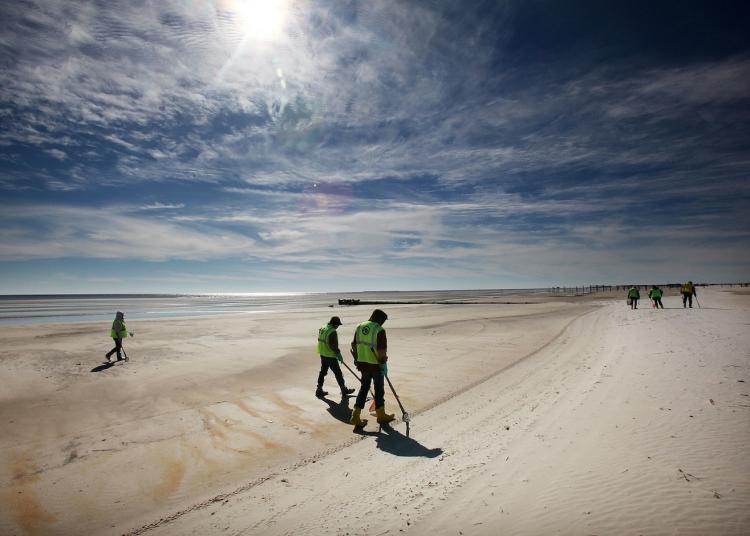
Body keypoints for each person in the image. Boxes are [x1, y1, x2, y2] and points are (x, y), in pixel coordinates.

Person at [350, 309, 394, 429]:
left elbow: (353, 345)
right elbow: (381, 350)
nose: (383, 323)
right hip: (375, 365)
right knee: (379, 389)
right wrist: (383, 362)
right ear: (379, 319)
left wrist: (356, 358)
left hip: (363, 364)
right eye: (383, 320)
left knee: (364, 388)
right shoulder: (379, 330)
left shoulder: (360, 326)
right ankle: (381, 415)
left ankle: (355, 415)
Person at [316, 316, 355, 398]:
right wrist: (338, 354)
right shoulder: (332, 331)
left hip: (323, 354)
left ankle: (319, 389)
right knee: (338, 373)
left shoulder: (323, 328)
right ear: (335, 324)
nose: (338, 327)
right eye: (337, 325)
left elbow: (321, 339)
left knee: (323, 372)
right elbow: (333, 345)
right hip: (330, 356)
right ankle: (343, 389)